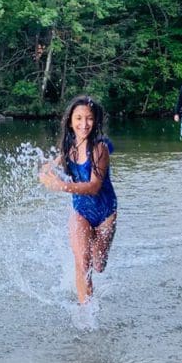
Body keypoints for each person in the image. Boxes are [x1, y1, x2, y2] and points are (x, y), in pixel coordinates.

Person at [39, 95, 118, 305]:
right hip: (81, 211)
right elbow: (49, 167)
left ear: (96, 120)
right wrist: (46, 173)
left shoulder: (100, 148)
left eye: (89, 118)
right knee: (83, 264)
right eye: (79, 118)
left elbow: (93, 187)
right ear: (70, 121)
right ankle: (86, 316)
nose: (84, 124)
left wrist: (61, 186)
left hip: (105, 213)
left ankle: (95, 266)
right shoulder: (68, 147)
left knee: (98, 265)